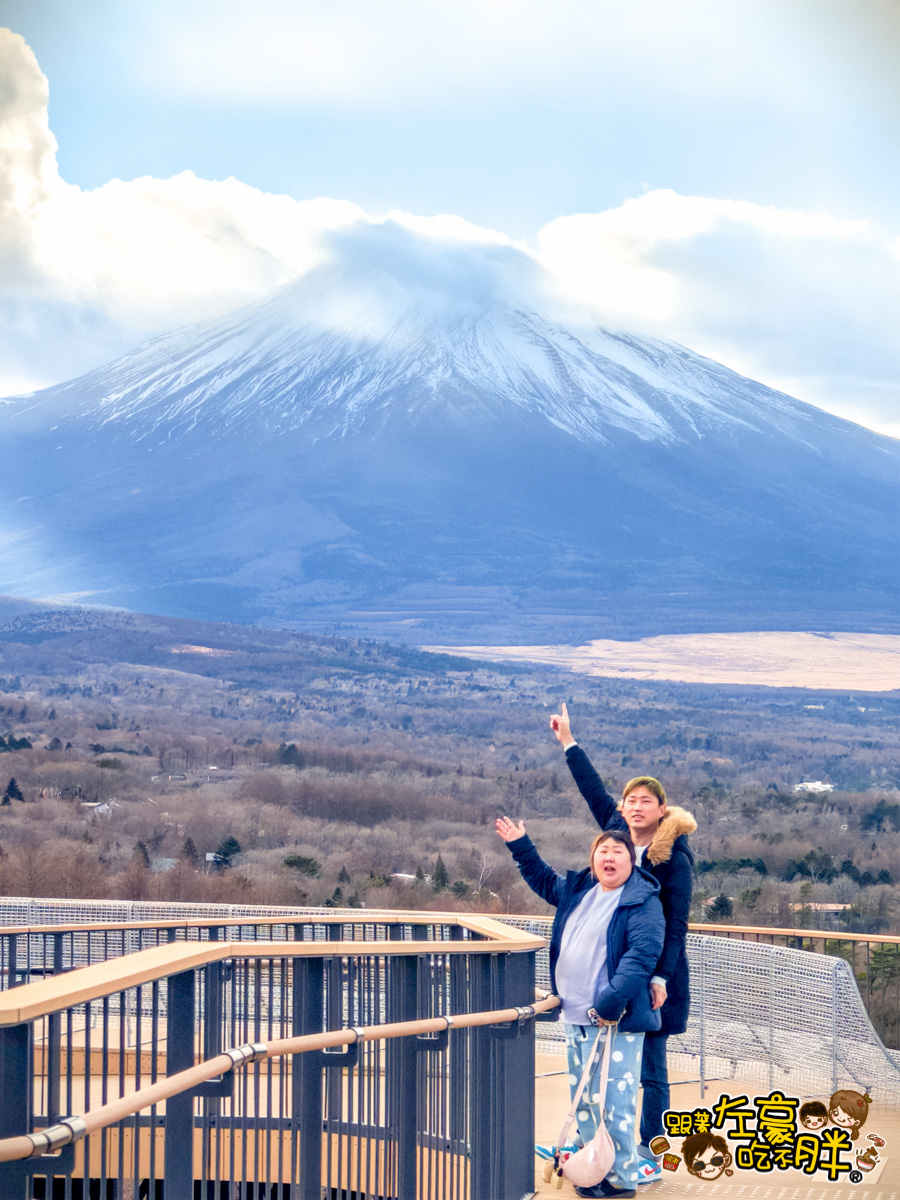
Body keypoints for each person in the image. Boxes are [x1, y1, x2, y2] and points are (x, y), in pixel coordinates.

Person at [550, 702, 696, 1162]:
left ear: (661, 810)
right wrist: (569, 743)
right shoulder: (617, 838)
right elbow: (593, 792)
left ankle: (650, 1151)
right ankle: (600, 1147)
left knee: (651, 1068)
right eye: (630, 801)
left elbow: (676, 926)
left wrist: (660, 979)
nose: (635, 808)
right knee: (606, 1070)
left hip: (653, 976)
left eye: (645, 802)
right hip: (614, 975)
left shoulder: (675, 857)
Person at [496, 817, 665, 1199]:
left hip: (614, 1020)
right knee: (587, 1102)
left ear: (632, 861)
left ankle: (621, 1180)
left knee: (615, 1103)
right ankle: (596, 1169)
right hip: (576, 1015)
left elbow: (641, 957)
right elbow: (542, 879)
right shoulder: (581, 890)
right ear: (592, 859)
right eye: (602, 850)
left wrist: (609, 1003)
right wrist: (520, 844)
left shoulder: (642, 901)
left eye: (617, 852)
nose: (609, 857)